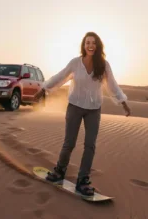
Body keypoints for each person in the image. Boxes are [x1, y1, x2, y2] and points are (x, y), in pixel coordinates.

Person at [32, 31, 131, 196]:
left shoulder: (104, 65)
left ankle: (83, 180)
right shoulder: (75, 63)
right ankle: (59, 171)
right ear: (84, 46)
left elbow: (112, 86)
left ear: (97, 46)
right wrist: (43, 89)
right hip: (75, 106)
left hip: (94, 109)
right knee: (69, 143)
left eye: (93, 43)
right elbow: (60, 76)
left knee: (90, 145)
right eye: (87, 43)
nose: (90, 45)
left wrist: (124, 103)